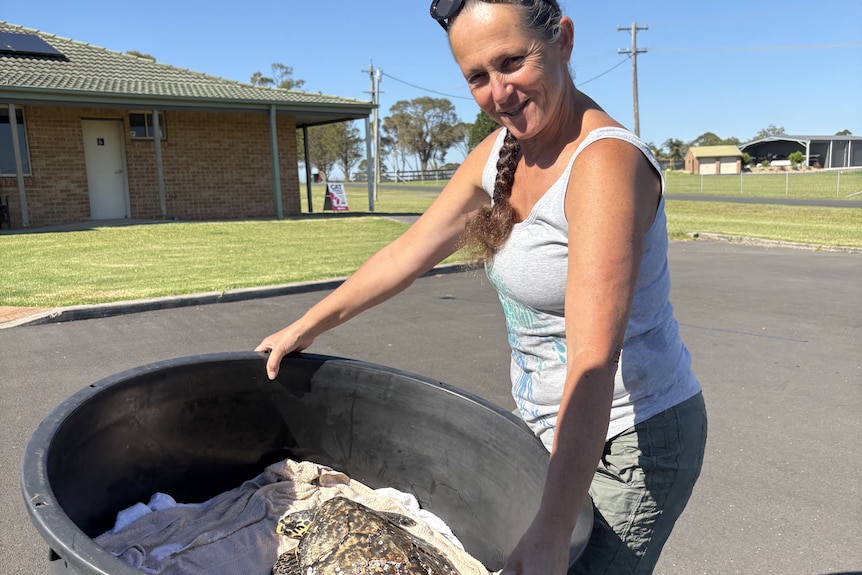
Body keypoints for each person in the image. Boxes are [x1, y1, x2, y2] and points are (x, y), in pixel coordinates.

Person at [256, 1, 707, 573]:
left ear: (563, 41)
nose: (499, 92)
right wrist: (306, 325)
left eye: (512, 62)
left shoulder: (604, 168)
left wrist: (551, 525)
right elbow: (404, 254)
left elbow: (592, 360)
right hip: (555, 432)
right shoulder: (502, 154)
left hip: (631, 441)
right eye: (477, 76)